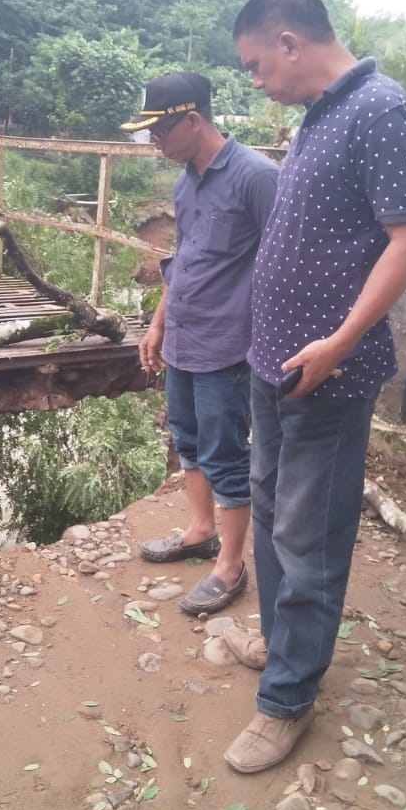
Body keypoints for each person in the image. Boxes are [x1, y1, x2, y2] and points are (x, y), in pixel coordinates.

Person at [221, 0, 406, 773]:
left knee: (308, 538)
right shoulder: (319, 114)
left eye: (253, 65)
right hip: (273, 364)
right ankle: (284, 648)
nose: (254, 82)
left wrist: (340, 342)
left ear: (288, 43)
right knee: (274, 512)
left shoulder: (379, 107)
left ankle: (287, 701)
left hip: (328, 374)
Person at [122, 71, 278, 615]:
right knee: (187, 440)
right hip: (184, 336)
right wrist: (158, 324)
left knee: (226, 455)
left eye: (159, 131)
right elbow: (184, 260)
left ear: (193, 121)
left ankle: (231, 566)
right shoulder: (186, 181)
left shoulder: (257, 178)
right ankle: (199, 531)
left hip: (228, 347)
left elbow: (285, 264)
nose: (153, 143)